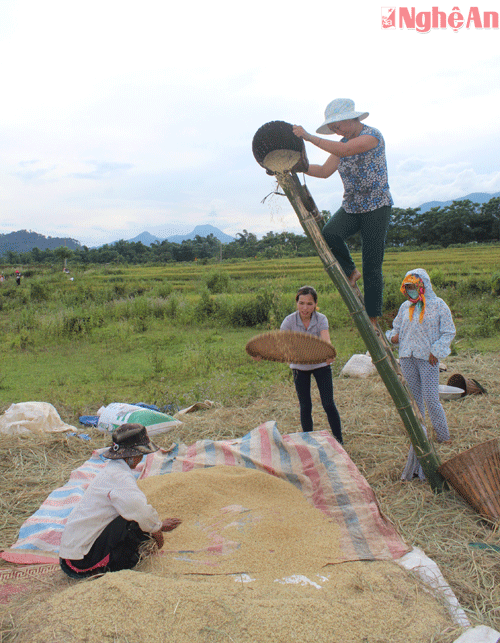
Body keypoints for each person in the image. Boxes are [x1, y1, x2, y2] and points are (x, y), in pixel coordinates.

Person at [293, 98, 393, 325]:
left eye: (337, 125)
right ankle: (350, 270)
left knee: (372, 264)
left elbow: (346, 150)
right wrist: (299, 166)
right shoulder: (341, 142)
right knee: (330, 233)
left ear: (352, 119)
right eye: (333, 127)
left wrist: (309, 136)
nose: (335, 130)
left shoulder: (371, 136)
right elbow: (324, 170)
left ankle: (373, 317)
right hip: (352, 206)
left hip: (377, 206)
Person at [59, 423, 181, 579]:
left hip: (71, 554)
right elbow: (141, 512)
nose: (141, 458)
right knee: (134, 527)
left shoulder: (113, 470)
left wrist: (157, 525)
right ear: (130, 455)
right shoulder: (120, 478)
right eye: (140, 454)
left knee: (134, 521)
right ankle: (104, 568)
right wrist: (157, 531)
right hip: (80, 562)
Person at [386, 269, 456, 480]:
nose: (411, 291)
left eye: (414, 287)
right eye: (407, 287)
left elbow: (448, 331)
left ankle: (444, 436)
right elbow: (393, 329)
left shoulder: (438, 305)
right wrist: (393, 337)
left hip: (428, 358)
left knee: (431, 399)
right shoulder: (405, 307)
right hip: (407, 357)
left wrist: (437, 350)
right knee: (414, 400)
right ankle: (420, 435)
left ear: (423, 286)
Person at [280, 285, 343, 444]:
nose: (305, 308)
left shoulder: (321, 319)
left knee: (328, 404)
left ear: (315, 304)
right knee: (305, 406)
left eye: (309, 304)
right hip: (299, 367)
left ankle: (339, 440)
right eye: (301, 303)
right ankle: (308, 443)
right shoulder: (289, 321)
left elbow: (326, 341)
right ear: (297, 303)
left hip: (320, 364)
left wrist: (329, 353)